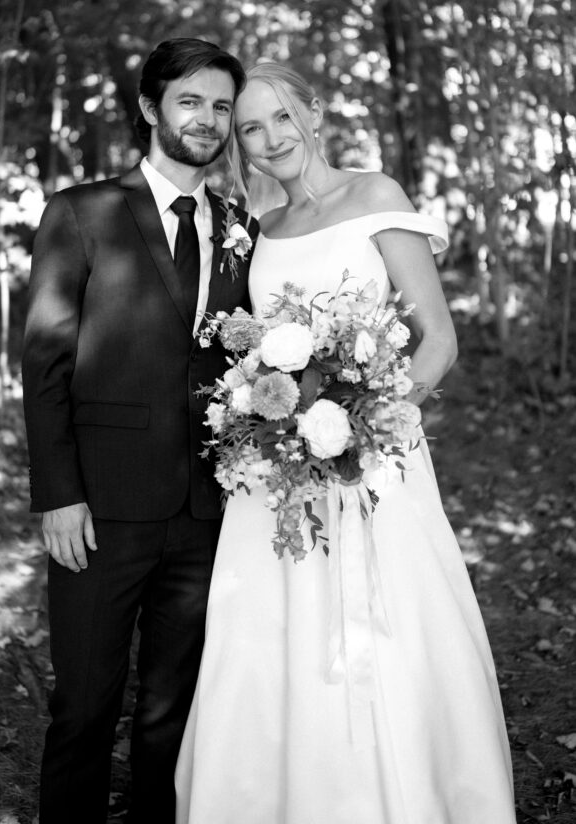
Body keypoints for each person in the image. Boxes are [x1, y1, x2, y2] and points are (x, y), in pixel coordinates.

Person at [175, 61, 516, 824]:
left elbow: (437, 339)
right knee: (267, 633)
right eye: (250, 129)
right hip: (276, 474)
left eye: (279, 119)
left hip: (373, 464)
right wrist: (270, 423)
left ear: (314, 112)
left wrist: (365, 426)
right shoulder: (261, 227)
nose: (268, 139)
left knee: (391, 625)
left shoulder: (376, 196)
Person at [21, 37, 257, 824]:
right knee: (84, 706)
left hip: (205, 510)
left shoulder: (238, 225)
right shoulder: (82, 212)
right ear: (151, 109)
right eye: (189, 100)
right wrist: (59, 497)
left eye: (221, 105)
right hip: (100, 508)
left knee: (173, 713)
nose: (208, 119)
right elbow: (46, 364)